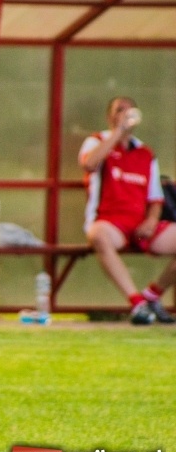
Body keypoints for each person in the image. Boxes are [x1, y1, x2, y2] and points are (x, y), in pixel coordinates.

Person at [79, 95, 176, 325]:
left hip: (140, 226)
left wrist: (151, 221)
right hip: (110, 222)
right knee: (98, 235)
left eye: (130, 110)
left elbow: (155, 198)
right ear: (110, 116)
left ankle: (152, 296)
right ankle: (137, 304)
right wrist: (118, 133)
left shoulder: (145, 153)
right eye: (119, 110)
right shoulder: (96, 141)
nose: (125, 114)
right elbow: (89, 164)